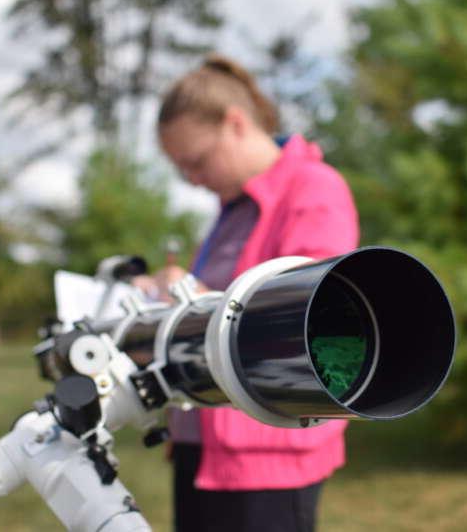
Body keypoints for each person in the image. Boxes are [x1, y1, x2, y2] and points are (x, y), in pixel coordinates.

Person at [142, 54, 359, 532]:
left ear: (236, 124)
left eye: (196, 162)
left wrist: (198, 298)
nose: (193, 180)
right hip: (204, 445)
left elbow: (307, 319)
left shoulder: (313, 190)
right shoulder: (232, 209)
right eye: (182, 171)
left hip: (266, 455)